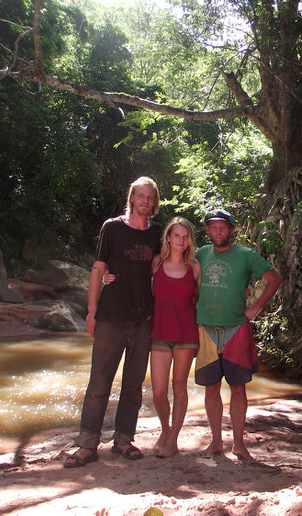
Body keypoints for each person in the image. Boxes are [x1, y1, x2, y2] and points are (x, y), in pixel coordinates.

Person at [62, 176, 163, 468]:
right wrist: (91, 312)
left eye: (150, 197)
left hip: (144, 319)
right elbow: (98, 269)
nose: (145, 201)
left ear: (154, 203)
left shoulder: (157, 232)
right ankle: (87, 445)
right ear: (132, 198)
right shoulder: (112, 227)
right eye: (140, 196)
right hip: (110, 317)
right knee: (98, 383)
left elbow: (164, 268)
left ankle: (123, 440)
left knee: (133, 385)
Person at [195, 208, 282, 461]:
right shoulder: (200, 253)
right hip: (206, 330)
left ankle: (239, 444)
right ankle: (215, 442)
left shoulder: (246, 255)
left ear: (232, 229)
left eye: (222, 227)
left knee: (238, 389)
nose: (218, 231)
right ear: (207, 230)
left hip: (236, 329)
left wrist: (255, 307)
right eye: (213, 227)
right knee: (210, 389)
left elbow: (273, 278)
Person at [148, 217, 201, 458]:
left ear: (190, 240)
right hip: (159, 332)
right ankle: (165, 429)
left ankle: (173, 439)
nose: (181, 240)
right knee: (158, 391)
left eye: (185, 236)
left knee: (178, 386)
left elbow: (202, 299)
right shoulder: (156, 263)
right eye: (176, 235)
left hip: (186, 335)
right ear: (168, 237)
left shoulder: (195, 267)